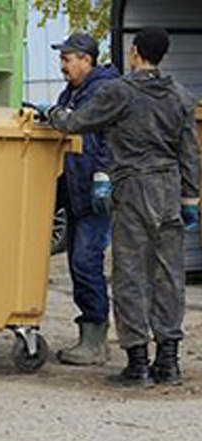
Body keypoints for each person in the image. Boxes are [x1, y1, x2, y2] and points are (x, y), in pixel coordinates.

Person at [49, 28, 201, 387]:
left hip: (132, 188)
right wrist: (191, 199)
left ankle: (137, 364)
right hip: (168, 190)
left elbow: (76, 123)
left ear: (135, 53)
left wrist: (54, 113)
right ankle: (169, 362)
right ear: (161, 55)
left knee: (130, 275)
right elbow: (190, 154)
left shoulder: (121, 92)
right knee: (168, 276)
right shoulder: (180, 96)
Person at [49, 33, 119, 366]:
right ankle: (90, 335)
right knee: (79, 265)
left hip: (95, 192)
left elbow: (111, 137)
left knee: (86, 261)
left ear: (86, 60)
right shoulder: (73, 91)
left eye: (67, 59)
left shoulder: (104, 91)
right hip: (76, 191)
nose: (62, 65)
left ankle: (95, 339)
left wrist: (105, 175)